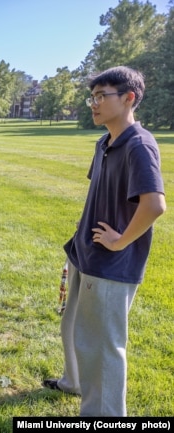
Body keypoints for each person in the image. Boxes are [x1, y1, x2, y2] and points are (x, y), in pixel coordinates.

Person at [42, 66, 166, 416]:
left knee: (103, 346)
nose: (94, 103)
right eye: (92, 96)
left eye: (102, 96)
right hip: (85, 254)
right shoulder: (105, 142)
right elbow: (100, 193)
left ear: (129, 98)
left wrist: (120, 241)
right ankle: (73, 382)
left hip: (111, 264)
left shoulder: (139, 145)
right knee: (73, 326)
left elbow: (155, 205)